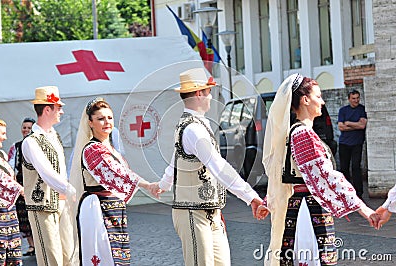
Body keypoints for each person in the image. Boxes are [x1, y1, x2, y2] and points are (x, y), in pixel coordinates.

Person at [257, 74, 378, 265]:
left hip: (303, 206)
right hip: (306, 211)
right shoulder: (302, 133)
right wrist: (363, 209)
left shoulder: (296, 132)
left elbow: (284, 173)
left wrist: (268, 201)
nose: (322, 102)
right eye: (318, 96)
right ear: (305, 100)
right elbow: (325, 175)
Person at [150, 68, 263, 266]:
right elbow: (218, 166)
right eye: (209, 92)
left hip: (210, 212)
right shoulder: (194, 129)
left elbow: (176, 160)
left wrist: (164, 183)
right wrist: (250, 195)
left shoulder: (195, 125)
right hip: (193, 212)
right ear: (199, 93)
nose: (211, 97)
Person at [69, 97, 158, 265]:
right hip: (97, 206)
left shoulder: (111, 149)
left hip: (114, 207)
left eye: (109, 118)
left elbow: (124, 171)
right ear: (90, 122)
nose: (106, 122)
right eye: (100, 119)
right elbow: (116, 172)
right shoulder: (92, 149)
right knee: (102, 254)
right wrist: (147, 185)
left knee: (118, 254)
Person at [21, 86, 76, 266]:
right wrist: (69, 189)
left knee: (69, 255)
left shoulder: (54, 136)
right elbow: (46, 173)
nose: (61, 111)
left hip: (62, 203)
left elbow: (59, 170)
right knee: (51, 258)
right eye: (58, 107)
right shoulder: (31, 141)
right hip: (42, 205)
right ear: (47, 109)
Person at [0, 116, 24, 265]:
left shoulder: (1, 155)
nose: (5, 137)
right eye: (2, 133)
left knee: (13, 250)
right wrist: (20, 189)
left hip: (9, 210)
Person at [7, 117, 36, 256]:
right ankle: (31, 245)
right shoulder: (16, 146)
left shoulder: (37, 145)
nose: (26, 130)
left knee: (35, 214)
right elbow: (11, 166)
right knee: (23, 216)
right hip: (21, 182)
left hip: (35, 183)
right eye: (24, 127)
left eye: (29, 128)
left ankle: (39, 244)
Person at [338, 89, 367, 198]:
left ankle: (358, 193)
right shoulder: (343, 110)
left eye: (357, 98)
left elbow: (362, 126)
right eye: (353, 98)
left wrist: (349, 123)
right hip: (344, 143)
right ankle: (346, 191)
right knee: (344, 168)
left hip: (357, 143)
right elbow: (341, 127)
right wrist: (356, 125)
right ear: (349, 99)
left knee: (356, 167)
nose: (356, 100)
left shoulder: (362, 109)